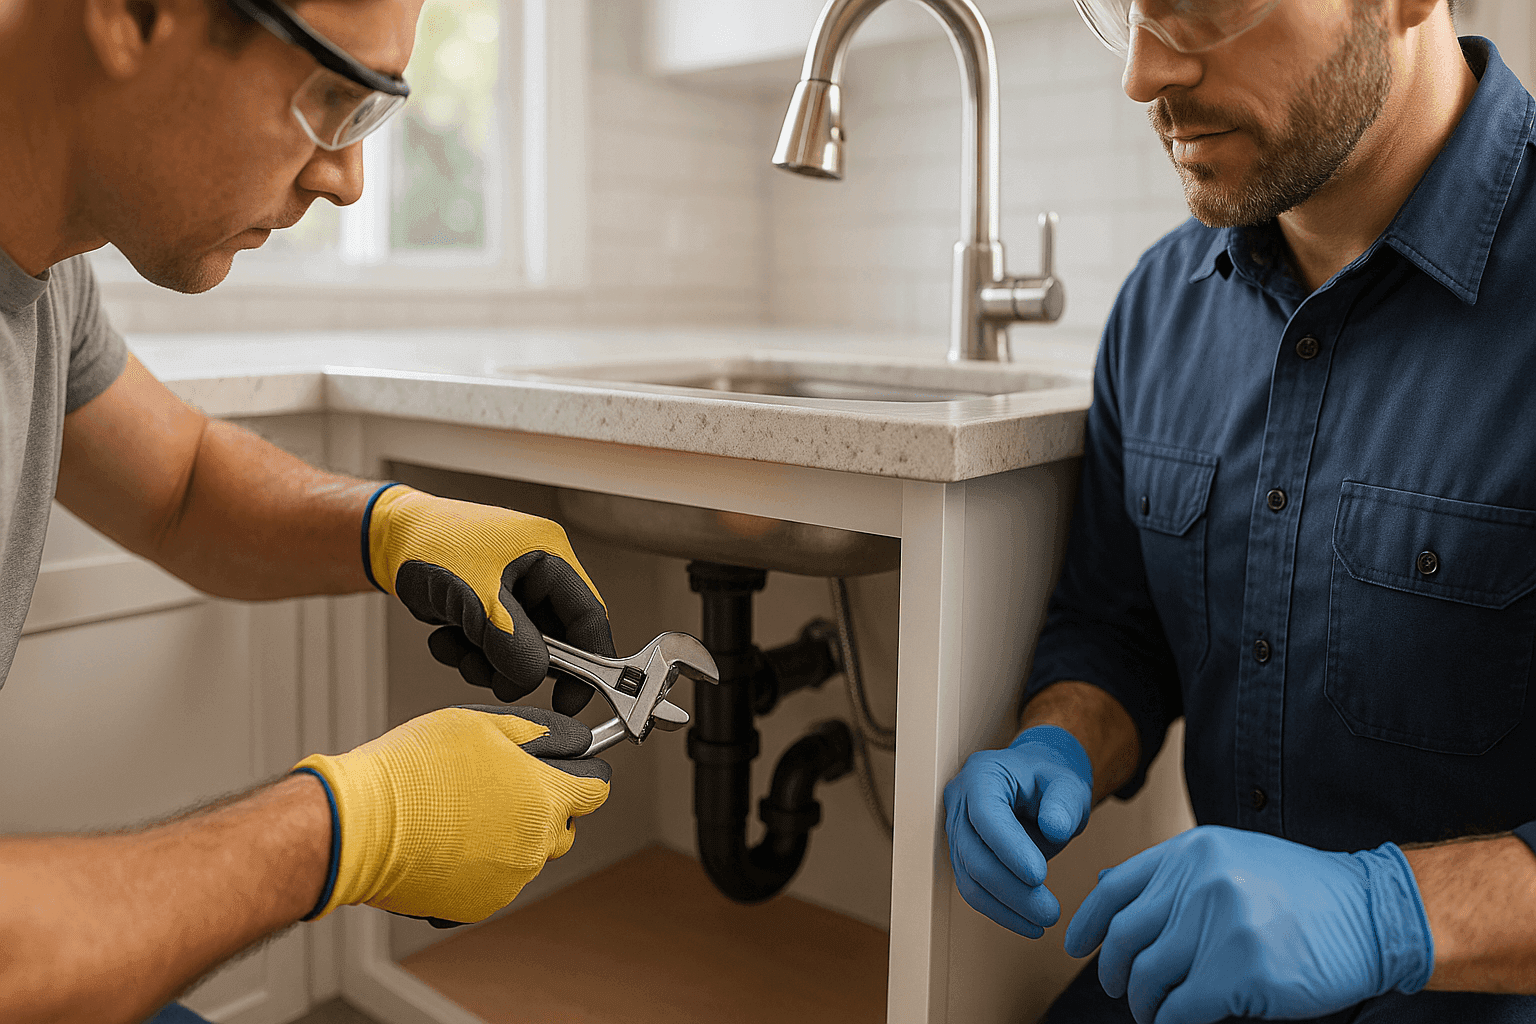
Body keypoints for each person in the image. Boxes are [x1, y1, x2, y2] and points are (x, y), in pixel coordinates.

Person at [0, 2, 619, 1021]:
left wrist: (394, 525)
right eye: (333, 96)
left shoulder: (45, 266)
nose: (348, 179)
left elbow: (182, 486)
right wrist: (347, 828)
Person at [944, 0, 1536, 1021]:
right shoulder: (1158, 308)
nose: (1141, 75)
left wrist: (1388, 915)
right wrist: (1062, 743)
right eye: (1130, 14)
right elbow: (1116, 628)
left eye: (1201, 9)